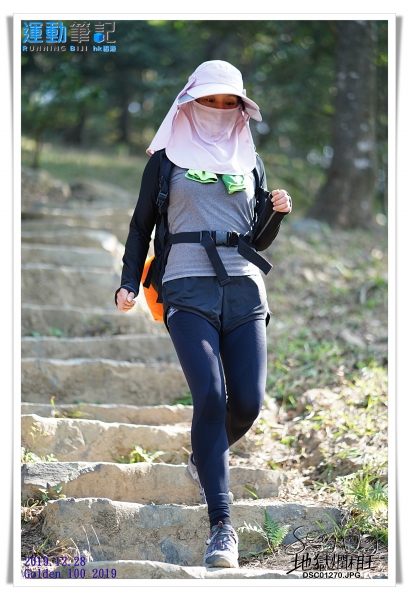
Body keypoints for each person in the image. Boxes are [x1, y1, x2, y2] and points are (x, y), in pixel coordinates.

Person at [115, 60, 291, 569]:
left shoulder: (249, 160)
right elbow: (141, 226)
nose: (217, 108)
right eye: (209, 99)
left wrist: (275, 213)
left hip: (245, 289)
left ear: (240, 108)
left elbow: (256, 239)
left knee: (249, 404)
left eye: (227, 101)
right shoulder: (166, 160)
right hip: (185, 286)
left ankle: (203, 455)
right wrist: (129, 281)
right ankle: (221, 527)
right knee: (211, 397)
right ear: (189, 103)